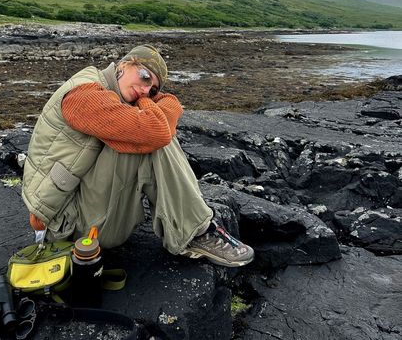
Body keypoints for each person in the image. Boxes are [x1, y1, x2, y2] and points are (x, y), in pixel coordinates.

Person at [22, 44, 254, 267]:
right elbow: (157, 130)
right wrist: (148, 102)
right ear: (124, 64)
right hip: (66, 226)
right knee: (150, 138)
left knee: (147, 133)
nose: (145, 89)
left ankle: (193, 228)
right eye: (144, 76)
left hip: (81, 210)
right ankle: (195, 232)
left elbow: (171, 104)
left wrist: (148, 99)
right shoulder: (83, 94)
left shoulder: (111, 90)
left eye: (153, 89)